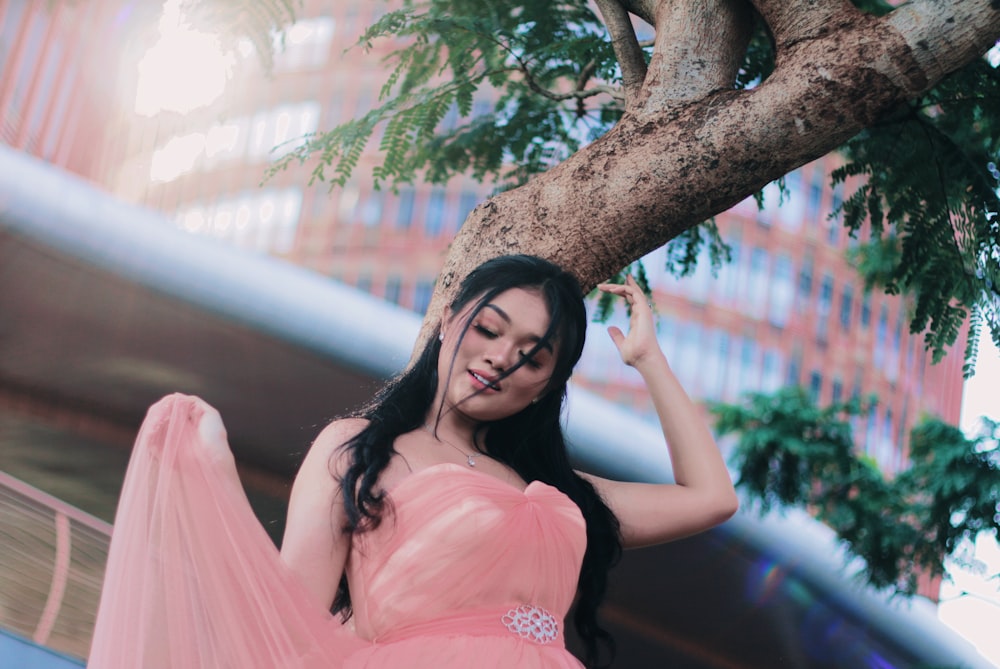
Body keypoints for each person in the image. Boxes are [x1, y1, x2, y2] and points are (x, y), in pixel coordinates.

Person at [88, 255, 737, 669]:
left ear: (544, 384)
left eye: (533, 355)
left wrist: (649, 360)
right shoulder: (360, 449)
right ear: (451, 319)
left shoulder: (560, 491)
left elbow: (712, 496)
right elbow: (289, 619)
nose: (500, 358)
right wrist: (216, 475)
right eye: (489, 328)